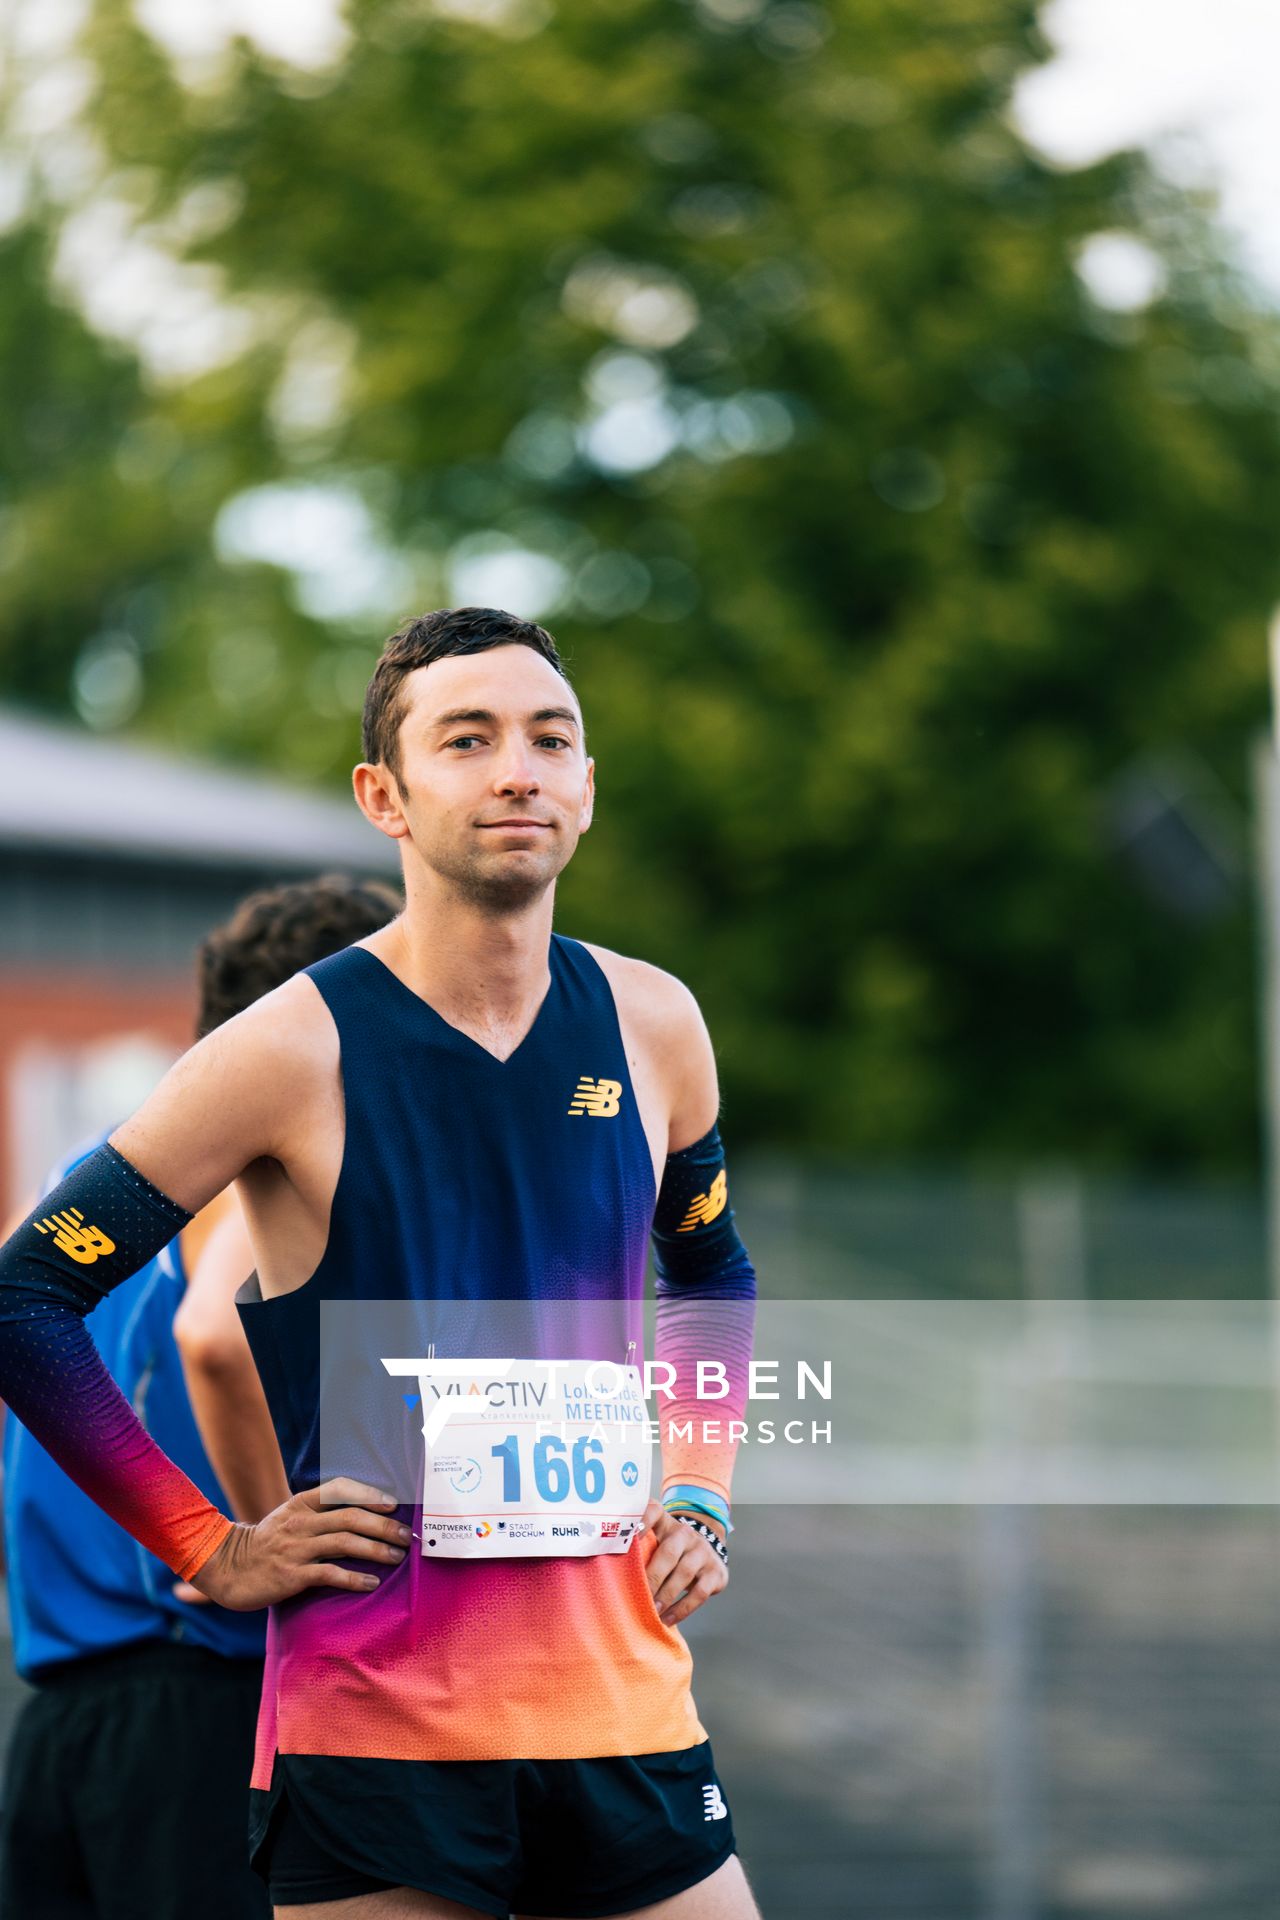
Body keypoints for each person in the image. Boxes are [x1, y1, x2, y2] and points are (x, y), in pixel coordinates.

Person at [0, 607, 760, 1920]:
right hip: (380, 1738)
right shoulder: (287, 1050)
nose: (517, 768)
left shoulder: (656, 1022)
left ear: (587, 785)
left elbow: (712, 1279)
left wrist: (698, 1493)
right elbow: (28, 1297)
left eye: (549, 738)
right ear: (385, 796)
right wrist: (209, 1547)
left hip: (626, 1711)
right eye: (466, 739)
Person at [0, 872, 401, 1920]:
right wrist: (266, 1544)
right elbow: (217, 1338)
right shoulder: (262, 1172)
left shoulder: (98, 1184)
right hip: (200, 1721)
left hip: (59, 1730)